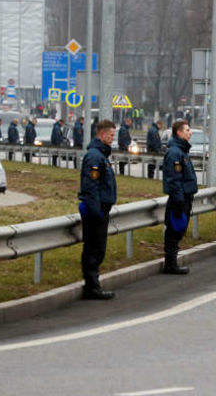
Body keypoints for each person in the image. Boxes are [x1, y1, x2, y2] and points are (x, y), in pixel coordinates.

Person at [78, 120, 118, 300]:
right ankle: (92, 286)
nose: (113, 138)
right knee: (94, 248)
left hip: (100, 209)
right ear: (102, 135)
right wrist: (96, 211)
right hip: (96, 211)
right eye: (111, 135)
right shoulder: (95, 156)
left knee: (98, 248)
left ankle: (93, 284)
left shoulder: (101, 155)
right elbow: (91, 186)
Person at [161, 119, 197, 274]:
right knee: (173, 231)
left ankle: (172, 262)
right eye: (187, 130)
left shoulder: (182, 151)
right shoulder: (175, 152)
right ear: (179, 132)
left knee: (178, 230)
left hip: (184, 197)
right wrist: (179, 200)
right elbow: (174, 179)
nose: (190, 132)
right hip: (179, 199)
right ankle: (170, 263)